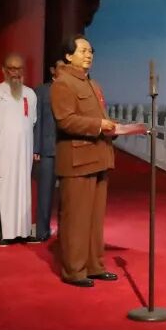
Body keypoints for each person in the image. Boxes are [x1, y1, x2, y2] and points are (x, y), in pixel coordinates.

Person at [50, 35, 117, 287]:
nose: (89, 55)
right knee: (76, 219)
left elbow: (98, 117)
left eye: (91, 51)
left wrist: (114, 128)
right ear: (68, 56)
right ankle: (74, 271)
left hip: (98, 157)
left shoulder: (92, 84)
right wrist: (99, 125)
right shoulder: (63, 83)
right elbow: (65, 120)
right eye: (83, 51)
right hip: (77, 161)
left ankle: (94, 266)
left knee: (94, 220)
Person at [0, 53, 38, 245]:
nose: (15, 72)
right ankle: (3, 233)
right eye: (11, 68)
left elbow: (32, 121)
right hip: (4, 150)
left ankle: (23, 231)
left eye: (19, 68)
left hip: (24, 149)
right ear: (4, 70)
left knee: (23, 189)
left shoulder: (30, 94)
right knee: (5, 188)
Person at [31, 61, 62, 243]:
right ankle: (42, 231)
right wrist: (36, 148)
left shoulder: (72, 89)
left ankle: (66, 232)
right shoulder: (42, 91)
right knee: (45, 192)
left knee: (68, 194)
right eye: (61, 67)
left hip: (68, 149)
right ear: (52, 70)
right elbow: (37, 121)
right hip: (47, 149)